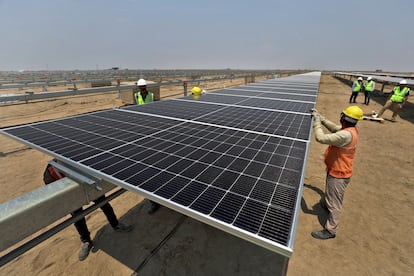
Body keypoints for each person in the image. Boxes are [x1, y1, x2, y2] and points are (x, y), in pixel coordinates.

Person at [43, 161, 133, 261]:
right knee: (77, 218)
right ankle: (86, 241)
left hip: (89, 187)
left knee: (104, 204)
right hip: (72, 195)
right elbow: (51, 187)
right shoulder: (50, 172)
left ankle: (115, 224)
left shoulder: (77, 160)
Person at [310, 105, 363, 240]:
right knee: (330, 192)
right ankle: (326, 204)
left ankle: (330, 230)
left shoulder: (345, 135)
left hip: (339, 174)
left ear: (343, 118)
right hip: (336, 169)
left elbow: (320, 138)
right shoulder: (350, 130)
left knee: (335, 204)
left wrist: (316, 123)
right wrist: (321, 118)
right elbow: (334, 128)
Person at [134, 78, 160, 214]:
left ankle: (155, 200)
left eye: (144, 87)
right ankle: (153, 201)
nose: (142, 89)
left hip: (152, 127)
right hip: (141, 128)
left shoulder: (151, 95)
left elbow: (156, 107)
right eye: (141, 88)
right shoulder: (136, 96)